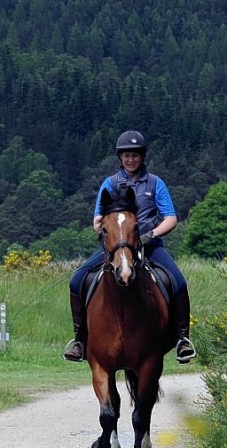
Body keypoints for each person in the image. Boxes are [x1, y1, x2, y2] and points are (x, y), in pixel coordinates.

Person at [62, 130, 195, 364]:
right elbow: (98, 218)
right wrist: (102, 227)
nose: (130, 159)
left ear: (141, 157)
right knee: (77, 280)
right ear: (120, 158)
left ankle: (183, 339)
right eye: (126, 156)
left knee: (178, 282)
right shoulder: (110, 184)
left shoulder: (155, 183)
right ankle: (80, 340)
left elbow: (171, 218)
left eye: (134, 155)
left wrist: (150, 234)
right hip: (115, 248)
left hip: (149, 245)